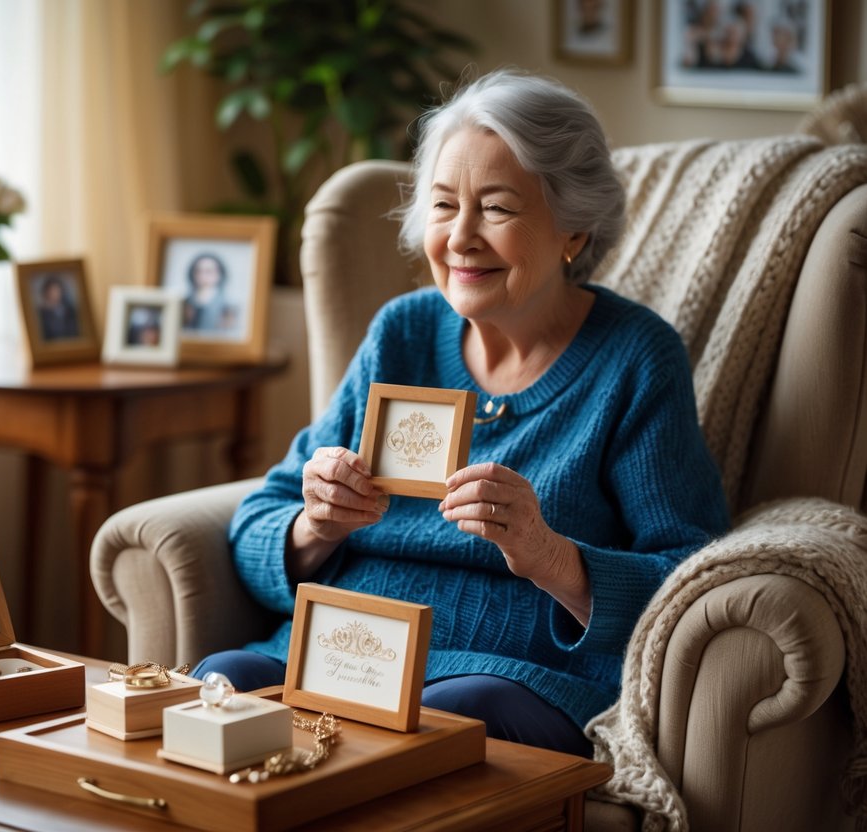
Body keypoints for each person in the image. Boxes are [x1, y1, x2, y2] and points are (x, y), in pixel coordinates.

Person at [193, 68, 730, 758]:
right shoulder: (403, 332)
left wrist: (547, 555)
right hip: (340, 655)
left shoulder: (633, 357)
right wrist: (312, 525)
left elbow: (691, 572)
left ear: (573, 228)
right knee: (221, 679)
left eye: (498, 209)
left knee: (448, 719)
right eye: (444, 206)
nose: (461, 238)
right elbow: (257, 521)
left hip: (507, 677)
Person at [182, 252, 238, 334]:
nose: (203, 276)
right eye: (198, 271)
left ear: (219, 274)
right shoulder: (186, 303)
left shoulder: (228, 305)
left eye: (208, 271)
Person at [38, 274, 80, 340]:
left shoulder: (70, 310)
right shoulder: (41, 313)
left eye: (56, 290)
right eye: (51, 291)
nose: (54, 294)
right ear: (46, 292)